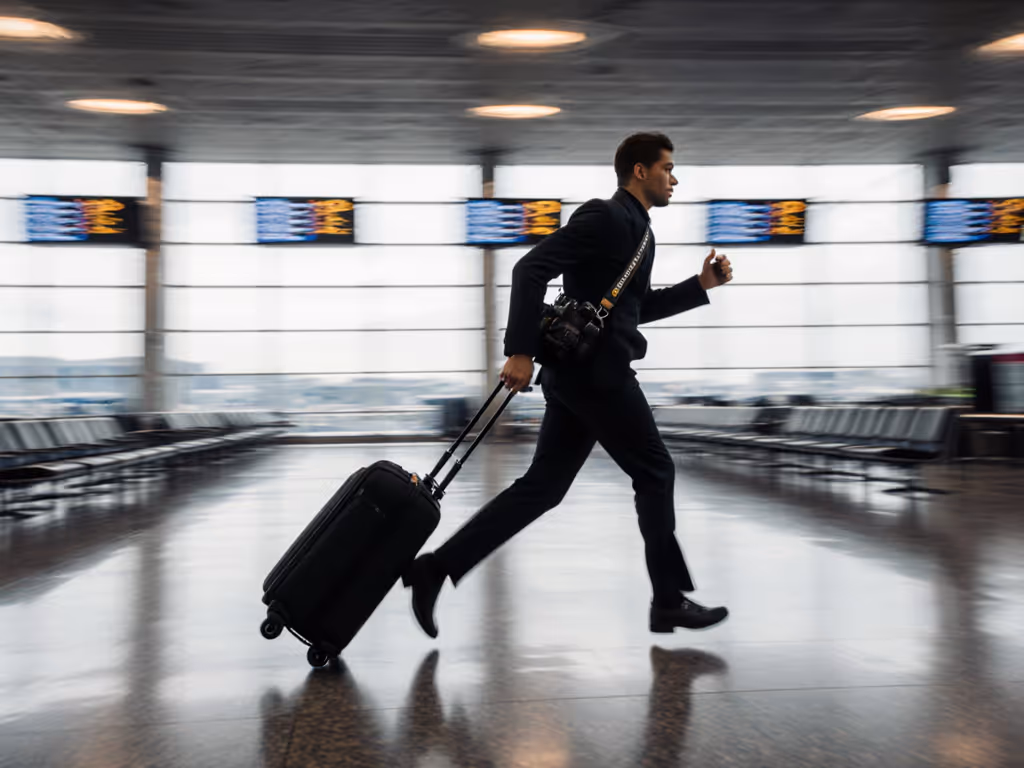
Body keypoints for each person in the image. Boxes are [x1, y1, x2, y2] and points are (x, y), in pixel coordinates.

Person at [403, 132, 734, 638]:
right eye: (668, 168)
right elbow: (529, 267)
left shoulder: (640, 230)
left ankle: (435, 569)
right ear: (640, 171)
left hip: (579, 379)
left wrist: (700, 286)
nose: (675, 178)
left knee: (543, 488)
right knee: (655, 470)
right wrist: (519, 349)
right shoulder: (605, 216)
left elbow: (633, 309)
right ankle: (668, 600)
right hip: (599, 379)